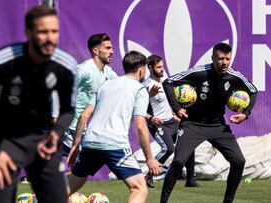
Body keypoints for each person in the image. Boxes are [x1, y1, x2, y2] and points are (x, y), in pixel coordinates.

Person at [0, 5, 77, 203]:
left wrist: (55, 134)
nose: (50, 38)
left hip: (43, 142)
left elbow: (68, 109)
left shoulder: (65, 66)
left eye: (54, 31)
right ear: (28, 32)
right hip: (4, 144)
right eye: (43, 32)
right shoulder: (0, 62)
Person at [160, 43, 258, 203]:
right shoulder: (200, 72)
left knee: (239, 161)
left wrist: (245, 114)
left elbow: (253, 91)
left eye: (227, 59)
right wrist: (177, 108)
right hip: (192, 125)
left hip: (218, 126)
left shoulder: (234, 76)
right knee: (178, 161)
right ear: (213, 58)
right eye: (220, 59)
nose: (224, 62)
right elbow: (168, 82)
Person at [68, 51, 160, 203]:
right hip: (115, 144)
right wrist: (150, 158)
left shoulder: (106, 85)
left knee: (71, 185)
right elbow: (140, 126)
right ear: (142, 69)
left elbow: (84, 116)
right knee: (139, 188)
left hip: (90, 142)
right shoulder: (139, 89)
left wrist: (75, 146)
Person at [143, 55, 200, 188]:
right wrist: (151, 118)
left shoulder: (166, 81)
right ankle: (148, 176)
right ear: (150, 68)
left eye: (162, 66)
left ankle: (190, 180)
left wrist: (173, 113)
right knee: (168, 149)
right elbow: (137, 109)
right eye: (158, 67)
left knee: (188, 145)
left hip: (171, 121)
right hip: (158, 124)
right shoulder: (146, 86)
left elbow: (168, 101)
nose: (162, 69)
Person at [62, 33, 117, 162]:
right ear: (96, 51)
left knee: (81, 168)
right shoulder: (84, 70)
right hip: (72, 128)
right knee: (80, 166)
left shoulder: (108, 72)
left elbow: (122, 87)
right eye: (108, 48)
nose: (112, 52)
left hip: (87, 129)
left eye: (111, 48)